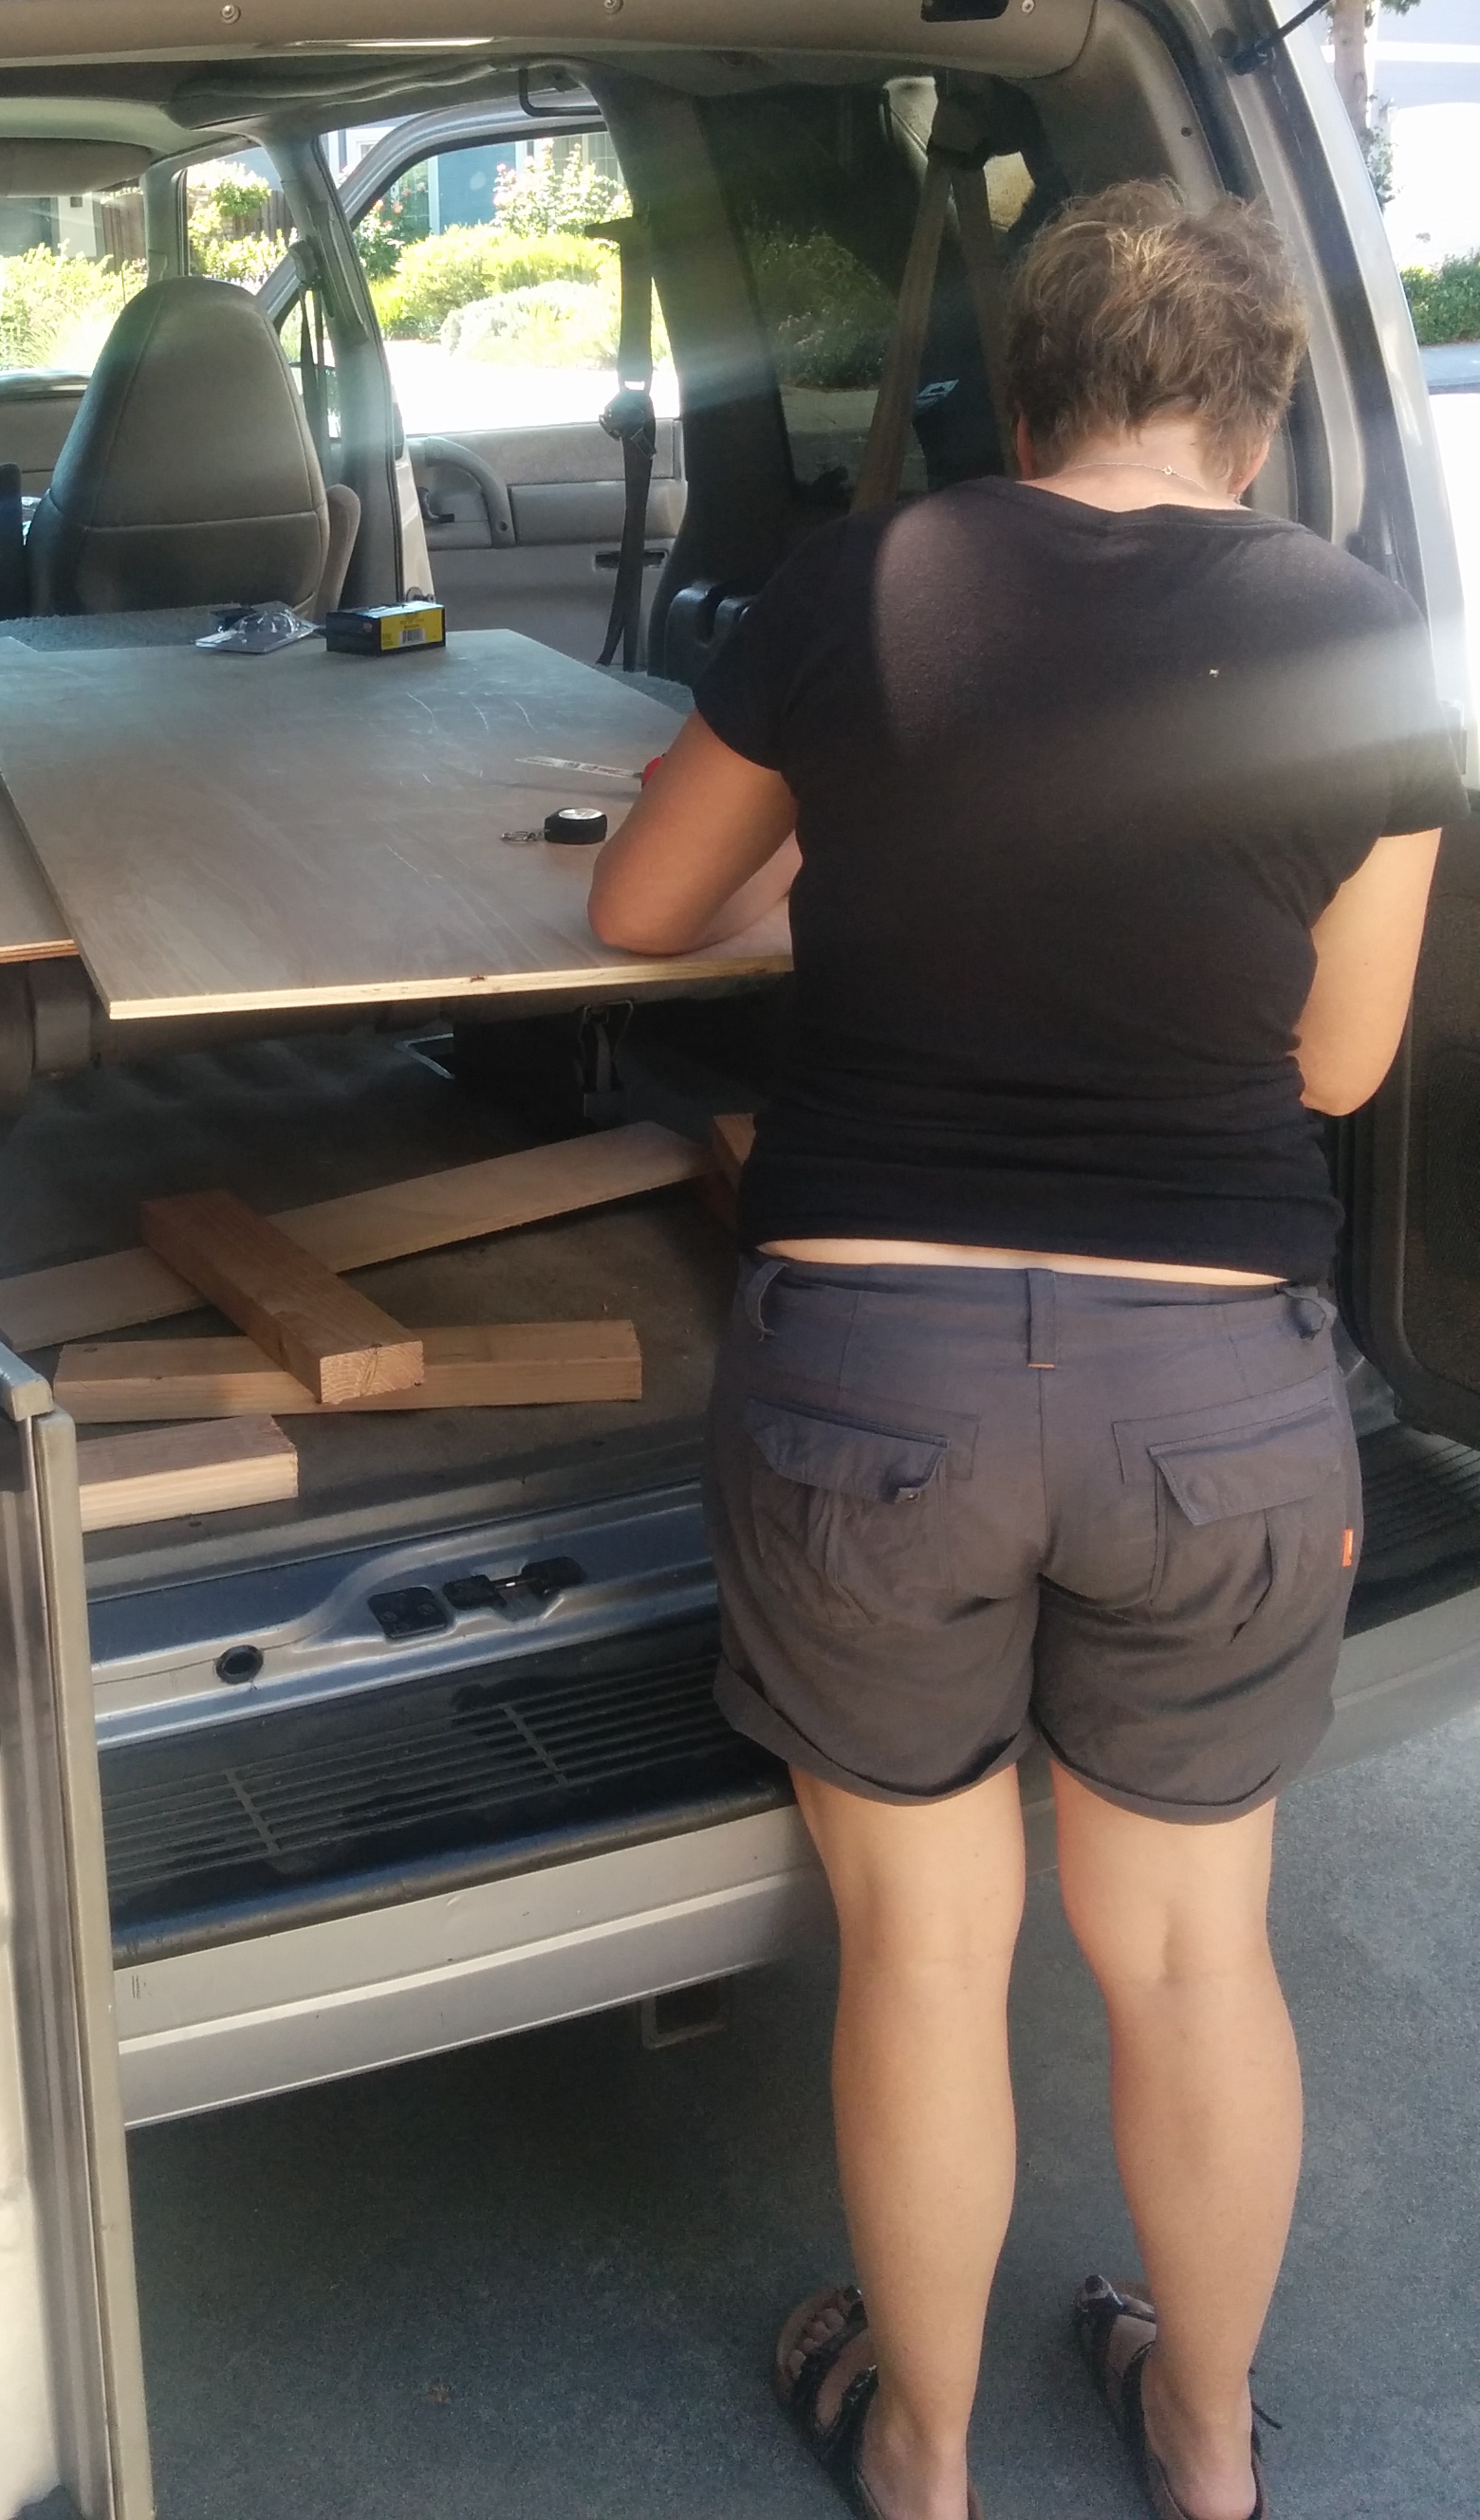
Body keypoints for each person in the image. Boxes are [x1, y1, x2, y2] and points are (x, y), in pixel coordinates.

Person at [588, 183, 1465, 2520]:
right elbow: (1341, 1063)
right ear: (1255, 424)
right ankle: (1206, 2442)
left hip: (875, 1387)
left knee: (924, 1952)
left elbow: (639, 903)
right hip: (1218, 1399)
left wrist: (836, 849)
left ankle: (926, 2450)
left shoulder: (858, 583)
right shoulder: (1361, 629)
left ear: (1030, 397)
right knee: (1189, 1956)